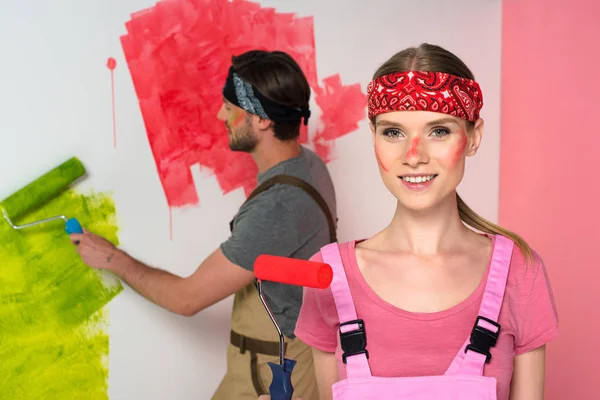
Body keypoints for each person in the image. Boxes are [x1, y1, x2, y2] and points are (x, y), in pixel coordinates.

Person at [260, 43, 558, 400]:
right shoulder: (329, 275)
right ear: (374, 139)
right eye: (393, 132)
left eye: (439, 131)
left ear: (474, 137)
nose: (413, 156)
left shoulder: (519, 272)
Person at [70, 50, 337, 400]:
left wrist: (112, 259)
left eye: (230, 107)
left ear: (261, 120)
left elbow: (187, 299)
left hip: (275, 373)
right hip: (281, 358)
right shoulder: (308, 165)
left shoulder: (278, 206)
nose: (219, 114)